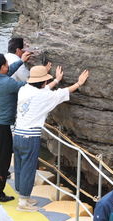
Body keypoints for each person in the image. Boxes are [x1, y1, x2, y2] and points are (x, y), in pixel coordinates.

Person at [13, 65, 89, 211]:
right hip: (30, 137)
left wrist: (56, 80)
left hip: (17, 134)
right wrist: (78, 83)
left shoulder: (24, 90)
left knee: (20, 165)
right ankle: (23, 202)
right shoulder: (43, 96)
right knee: (29, 168)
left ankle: (23, 195)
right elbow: (62, 93)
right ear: (43, 83)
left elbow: (44, 90)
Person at [0, 51, 31, 202]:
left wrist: (21, 61)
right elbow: (26, 86)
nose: (8, 65)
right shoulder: (9, 83)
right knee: (2, 162)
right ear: (2, 66)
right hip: (1, 127)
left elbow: (7, 74)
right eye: (6, 64)